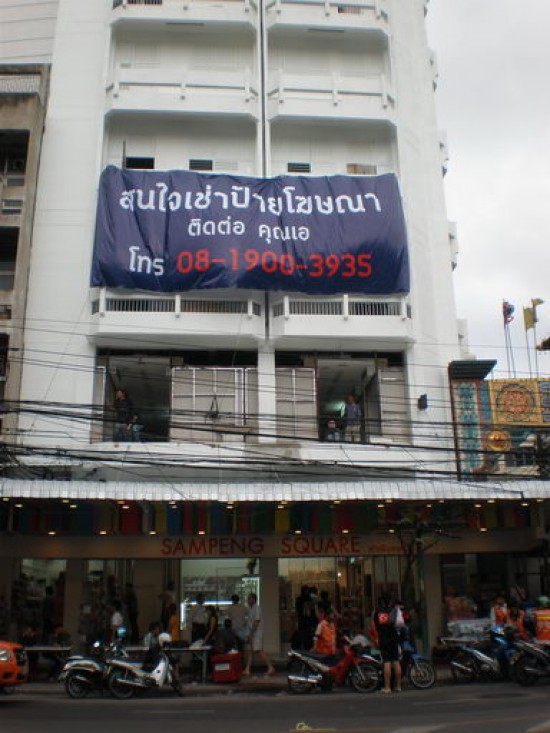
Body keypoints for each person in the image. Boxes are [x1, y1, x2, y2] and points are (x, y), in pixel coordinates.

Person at [373, 594, 401, 694]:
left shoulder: (378, 612)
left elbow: (376, 625)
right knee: (396, 661)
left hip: (384, 639)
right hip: (394, 638)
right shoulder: (393, 611)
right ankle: (398, 686)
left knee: (387, 662)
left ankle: (387, 687)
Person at [242, 593, 275, 677]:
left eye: (249, 598)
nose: (248, 600)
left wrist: (251, 633)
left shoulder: (257, 608)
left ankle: (270, 667)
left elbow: (256, 622)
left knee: (258, 651)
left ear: (253, 599)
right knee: (250, 651)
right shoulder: (250, 609)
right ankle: (247, 669)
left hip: (256, 633)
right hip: (251, 633)